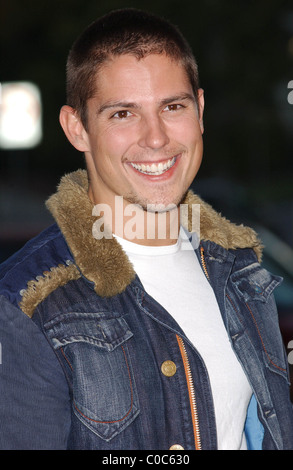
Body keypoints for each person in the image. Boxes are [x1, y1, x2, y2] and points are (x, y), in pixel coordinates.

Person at [0, 8, 292, 451]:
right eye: (123, 114)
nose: (156, 138)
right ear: (76, 128)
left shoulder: (241, 271)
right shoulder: (27, 305)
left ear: (200, 110)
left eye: (172, 107)